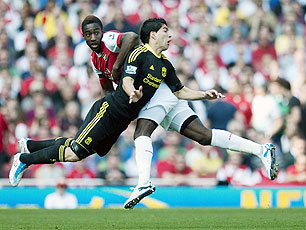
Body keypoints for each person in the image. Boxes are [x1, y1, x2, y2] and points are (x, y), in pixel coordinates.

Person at [16, 16, 278, 209]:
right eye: (166, 31)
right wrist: (126, 95)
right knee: (80, 150)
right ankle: (26, 157)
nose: (171, 36)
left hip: (138, 108)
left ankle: (260, 150)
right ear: (153, 35)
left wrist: (204, 94)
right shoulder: (138, 54)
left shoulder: (164, 63)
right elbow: (125, 79)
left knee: (203, 135)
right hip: (120, 108)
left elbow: (180, 90)